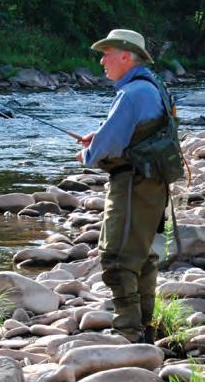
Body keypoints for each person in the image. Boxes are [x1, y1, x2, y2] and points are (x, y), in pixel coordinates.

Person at [76, 29, 178, 343]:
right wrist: (101, 137)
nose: (102, 62)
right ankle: (145, 329)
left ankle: (128, 333)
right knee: (144, 256)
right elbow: (137, 132)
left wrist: (88, 153)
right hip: (154, 185)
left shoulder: (131, 93)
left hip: (133, 184)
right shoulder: (153, 86)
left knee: (117, 257)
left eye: (106, 54)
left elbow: (105, 147)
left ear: (125, 56)